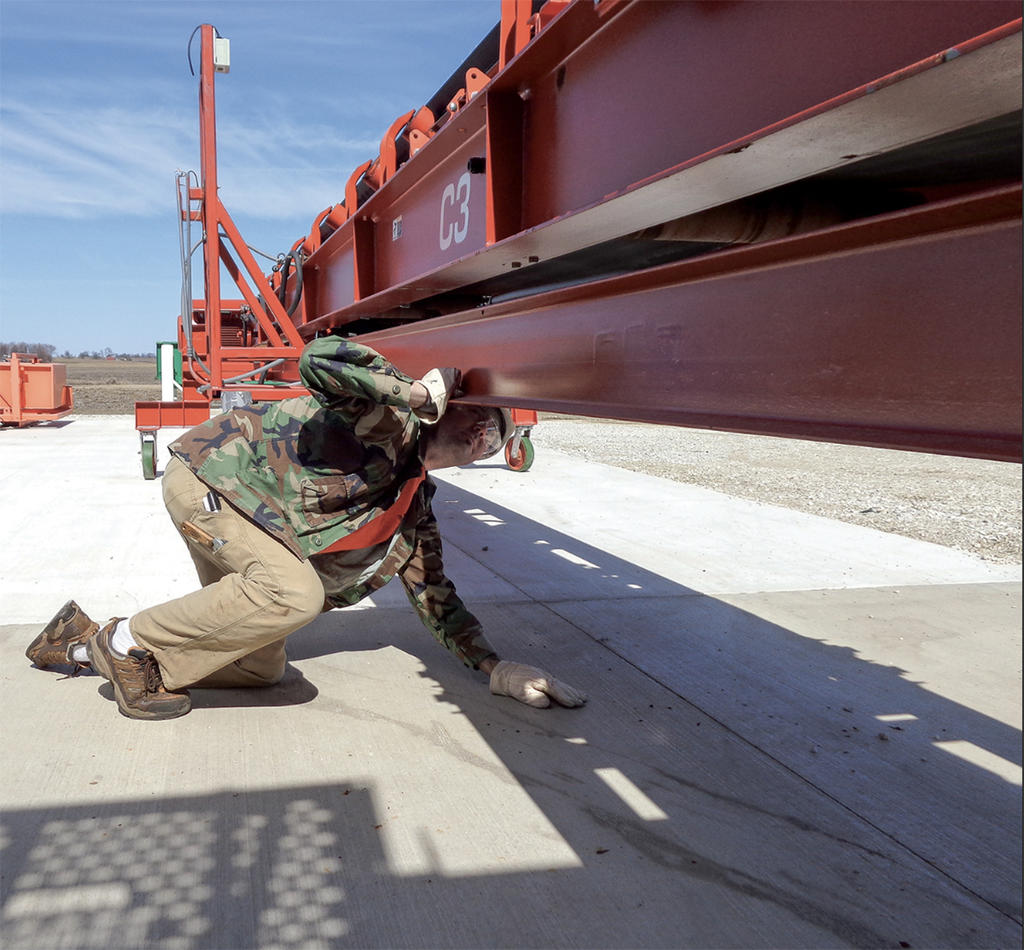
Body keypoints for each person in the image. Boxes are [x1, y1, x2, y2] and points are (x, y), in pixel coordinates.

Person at [25, 336, 586, 720]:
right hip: (212, 478)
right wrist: (411, 392)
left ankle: (79, 645)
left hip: (257, 521)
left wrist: (493, 666)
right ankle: (122, 642)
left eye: (495, 435)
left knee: (261, 666)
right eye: (478, 415)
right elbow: (319, 358)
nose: (482, 433)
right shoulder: (386, 419)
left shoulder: (414, 512)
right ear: (448, 409)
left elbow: (439, 599)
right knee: (294, 592)